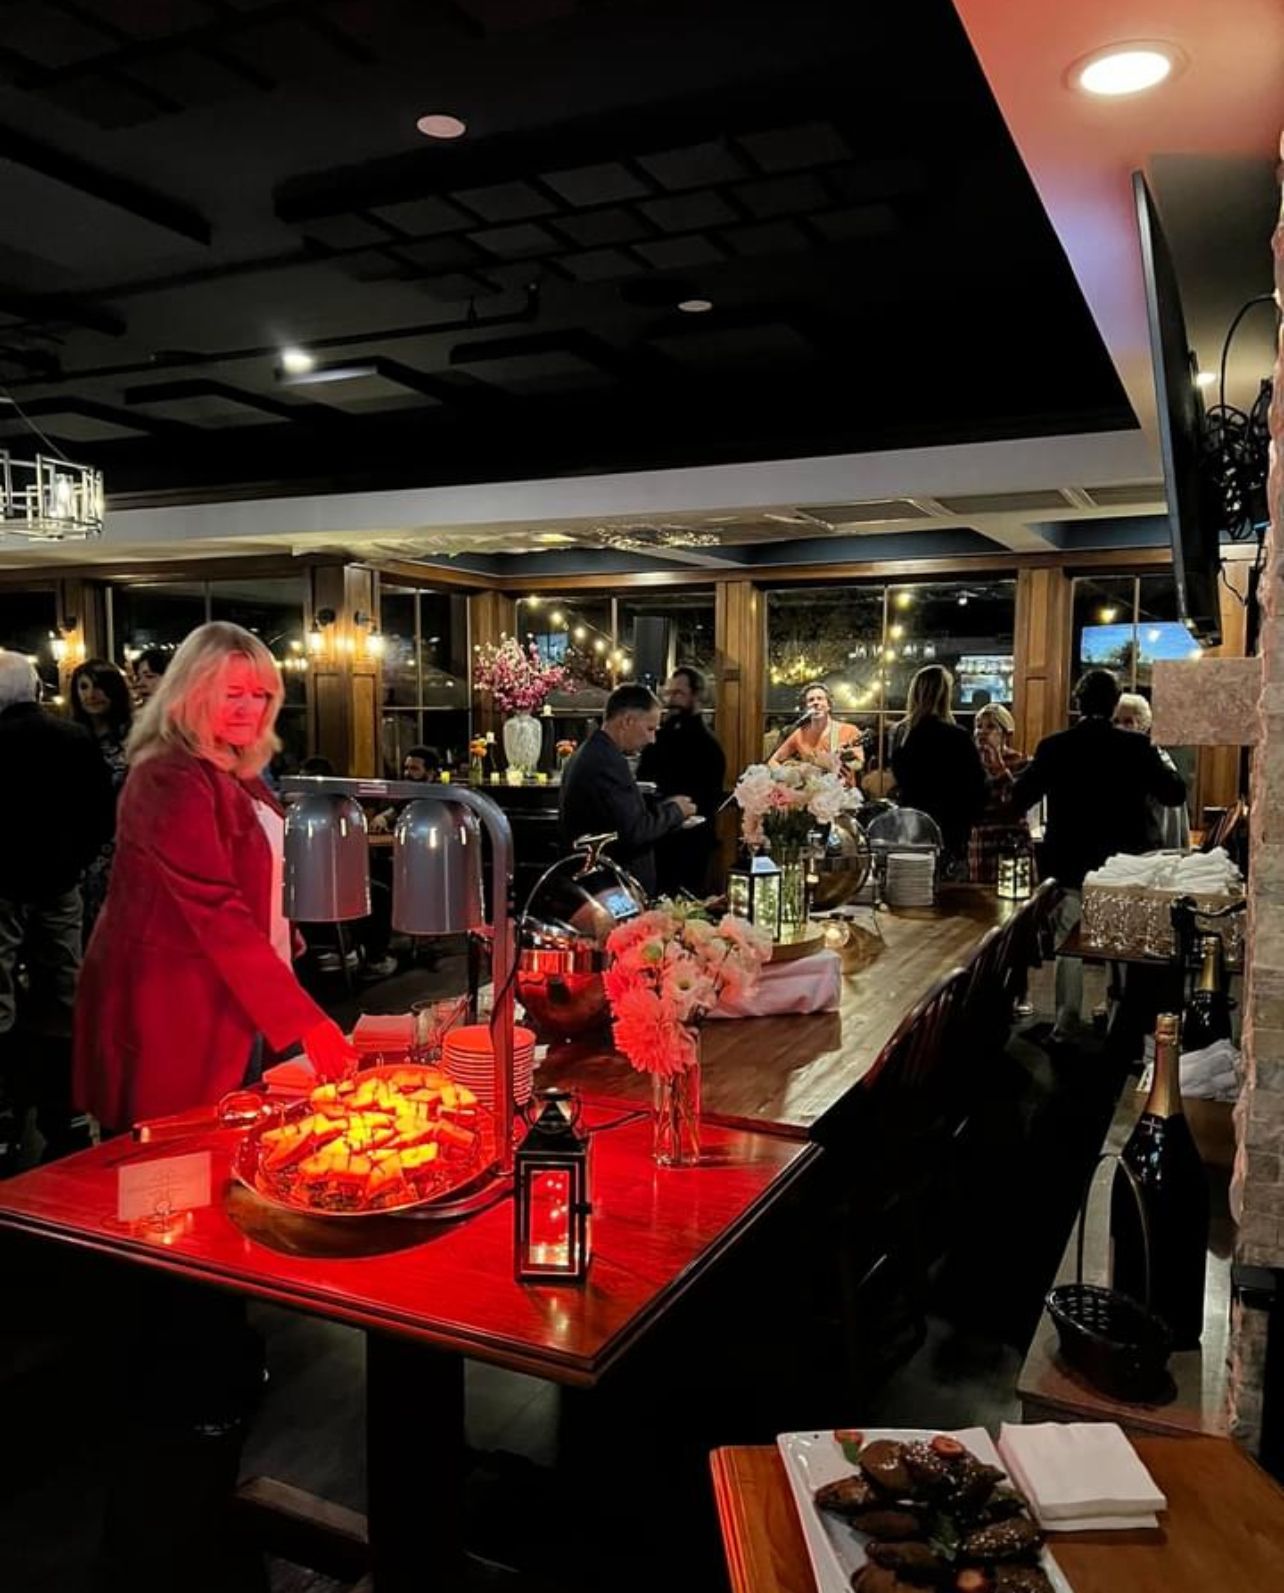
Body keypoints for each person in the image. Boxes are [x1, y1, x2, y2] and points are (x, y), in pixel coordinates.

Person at [73, 621, 357, 1133]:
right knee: (168, 1168)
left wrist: (281, 925)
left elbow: (250, 864)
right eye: (233, 693)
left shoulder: (231, 766)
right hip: (174, 1004)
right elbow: (211, 904)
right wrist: (307, 1020)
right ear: (192, 692)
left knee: (231, 1144)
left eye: (261, 694)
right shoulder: (167, 773)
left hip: (239, 992)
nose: (251, 707)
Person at [1010, 669, 1187, 1045]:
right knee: (1121, 941)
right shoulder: (1136, 748)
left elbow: (1018, 798)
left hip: (1068, 864)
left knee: (1067, 944)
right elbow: (1175, 794)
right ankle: (1118, 1018)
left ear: (1077, 703)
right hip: (1122, 866)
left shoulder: (1054, 746)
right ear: (1113, 705)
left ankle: (1065, 1022)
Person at [0, 652, 114, 1161]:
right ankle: (67, 1095)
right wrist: (76, 863)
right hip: (61, 880)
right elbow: (100, 813)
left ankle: (6, 1096)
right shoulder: (73, 738)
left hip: (4, 883)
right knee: (63, 985)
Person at [558, 684, 695, 895]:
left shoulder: (595, 752)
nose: (652, 739)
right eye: (650, 729)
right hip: (610, 889)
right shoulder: (605, 761)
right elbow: (634, 832)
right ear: (627, 721)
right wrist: (676, 811)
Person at [637, 666, 726, 896]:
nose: (671, 700)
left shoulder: (708, 745)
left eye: (679, 694)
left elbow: (708, 799)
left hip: (691, 843)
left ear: (696, 696)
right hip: (656, 836)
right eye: (669, 693)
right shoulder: (659, 735)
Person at [889, 665, 987, 869]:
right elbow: (978, 789)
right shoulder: (957, 736)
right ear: (945, 695)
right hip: (952, 828)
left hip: (911, 826)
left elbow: (900, 778)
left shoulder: (901, 734)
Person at [69, 657, 134, 933]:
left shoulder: (133, 739)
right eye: (83, 687)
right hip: (80, 848)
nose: (91, 695)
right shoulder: (71, 739)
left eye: (99, 687)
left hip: (125, 844)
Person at [1113, 692, 1191, 852]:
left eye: (1128, 722)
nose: (1120, 727)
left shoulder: (1156, 759)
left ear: (1143, 725)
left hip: (1151, 848)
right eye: (1116, 721)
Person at [968, 703, 1030, 883]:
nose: (982, 732)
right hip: (981, 843)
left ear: (1006, 734)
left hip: (1012, 842)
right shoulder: (970, 765)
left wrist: (998, 767)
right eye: (978, 726)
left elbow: (1016, 802)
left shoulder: (1020, 762)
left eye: (990, 727)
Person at [769, 682, 865, 786]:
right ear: (805, 708)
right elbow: (773, 761)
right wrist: (789, 776)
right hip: (811, 796)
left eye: (820, 699)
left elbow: (858, 764)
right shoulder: (799, 733)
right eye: (811, 700)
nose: (816, 703)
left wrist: (846, 758)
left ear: (828, 705)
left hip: (842, 794)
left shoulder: (849, 730)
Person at [369, 744, 441, 833]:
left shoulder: (441, 800)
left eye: (414, 769)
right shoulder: (407, 797)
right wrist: (382, 818)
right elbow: (396, 810)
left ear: (430, 774)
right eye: (406, 768)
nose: (407, 773)